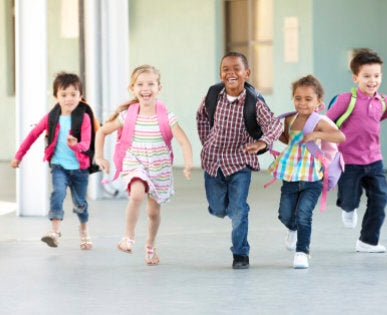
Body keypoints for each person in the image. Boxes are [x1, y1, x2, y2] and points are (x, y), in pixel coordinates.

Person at [95, 65, 193, 265]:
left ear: (159, 88)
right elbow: (102, 132)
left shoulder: (167, 117)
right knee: (137, 194)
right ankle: (128, 237)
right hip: (136, 162)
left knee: (153, 212)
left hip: (159, 168)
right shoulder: (127, 116)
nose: (145, 88)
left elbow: (183, 141)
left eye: (150, 83)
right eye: (140, 84)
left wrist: (188, 163)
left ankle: (150, 246)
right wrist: (99, 157)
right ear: (132, 88)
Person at [326, 48, 387, 253]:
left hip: (374, 160)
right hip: (348, 161)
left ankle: (367, 241)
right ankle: (348, 208)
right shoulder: (346, 99)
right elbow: (327, 121)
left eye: (376, 76)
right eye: (366, 76)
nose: (372, 81)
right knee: (350, 199)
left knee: (381, 198)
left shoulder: (382, 101)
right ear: (355, 78)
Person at [196, 52, 283, 269]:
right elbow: (202, 117)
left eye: (236, 68)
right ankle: (223, 209)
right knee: (217, 209)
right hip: (213, 160)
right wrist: (206, 141)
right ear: (220, 73)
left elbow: (275, 125)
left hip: (239, 162)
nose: (231, 73)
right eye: (226, 69)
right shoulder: (213, 94)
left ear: (247, 73)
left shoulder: (254, 101)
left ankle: (240, 254)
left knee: (239, 209)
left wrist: (262, 143)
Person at [11, 72, 96, 250]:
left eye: (73, 94)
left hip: (80, 168)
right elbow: (33, 135)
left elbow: (86, 143)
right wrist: (19, 155)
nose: (69, 99)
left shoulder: (84, 118)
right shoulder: (52, 117)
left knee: (80, 203)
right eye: (64, 95)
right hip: (59, 166)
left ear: (81, 96)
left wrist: (75, 145)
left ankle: (84, 230)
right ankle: (55, 232)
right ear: (55, 97)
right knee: (57, 192)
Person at [268, 75, 345, 269]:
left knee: (304, 213)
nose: (302, 103)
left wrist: (318, 134)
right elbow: (287, 139)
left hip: (312, 177)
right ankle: (292, 228)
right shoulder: (290, 120)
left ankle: (302, 252)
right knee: (285, 214)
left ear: (319, 102)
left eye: (308, 99)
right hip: (291, 175)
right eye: (298, 98)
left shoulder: (319, 121)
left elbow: (340, 136)